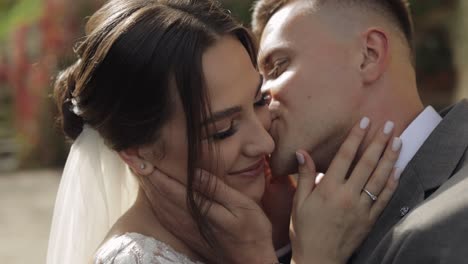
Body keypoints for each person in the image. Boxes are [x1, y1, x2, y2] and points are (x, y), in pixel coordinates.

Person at [46, 0, 403, 264]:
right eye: (224, 129)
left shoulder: (257, 222)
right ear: (139, 153)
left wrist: (280, 241)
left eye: (259, 101)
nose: (264, 141)